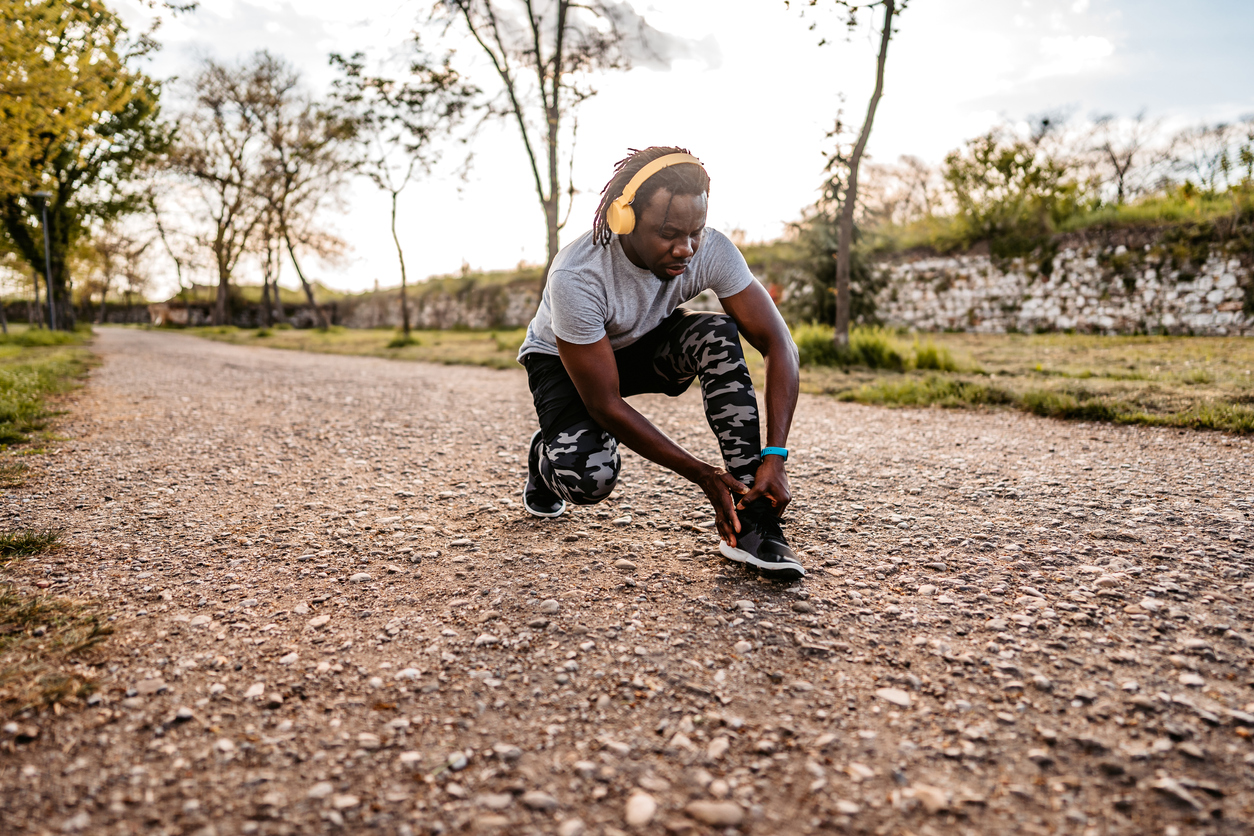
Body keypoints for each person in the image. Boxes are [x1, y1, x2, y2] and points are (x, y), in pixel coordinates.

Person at [515, 146, 804, 581]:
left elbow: (780, 343)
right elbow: (605, 403)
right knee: (589, 477)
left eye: (696, 232)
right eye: (668, 233)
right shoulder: (577, 276)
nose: (685, 249)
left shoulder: (710, 250)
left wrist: (775, 455)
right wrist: (703, 475)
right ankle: (546, 457)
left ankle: (754, 518)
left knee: (716, 334)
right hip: (564, 361)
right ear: (623, 219)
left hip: (640, 346)